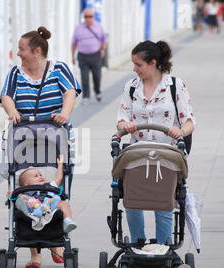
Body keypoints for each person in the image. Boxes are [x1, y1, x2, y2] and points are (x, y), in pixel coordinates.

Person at [0, 26, 81, 268]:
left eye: (22, 50)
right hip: (23, 138)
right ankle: (35, 253)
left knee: (54, 190)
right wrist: (12, 110)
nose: (18, 54)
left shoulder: (58, 69)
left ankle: (55, 241)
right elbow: (6, 96)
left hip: (55, 136)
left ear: (36, 51)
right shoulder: (16, 73)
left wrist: (65, 114)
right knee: (26, 190)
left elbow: (70, 92)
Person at [116, 40, 196, 251]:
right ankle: (138, 243)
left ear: (153, 63)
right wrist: (126, 125)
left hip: (167, 152)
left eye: (138, 64)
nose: (134, 69)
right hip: (137, 152)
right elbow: (121, 119)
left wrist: (180, 131)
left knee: (163, 202)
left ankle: (162, 247)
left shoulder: (174, 86)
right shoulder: (131, 87)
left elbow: (189, 121)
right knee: (132, 199)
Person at [16, 154, 77, 233]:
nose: (40, 176)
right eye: (36, 176)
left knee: (63, 203)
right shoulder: (25, 190)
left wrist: (60, 165)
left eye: (40, 175)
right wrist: (18, 196)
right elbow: (20, 196)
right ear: (26, 184)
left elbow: (59, 178)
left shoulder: (49, 185)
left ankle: (67, 221)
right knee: (22, 198)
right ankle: (27, 211)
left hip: (50, 207)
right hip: (34, 206)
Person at [71, 8, 107, 104]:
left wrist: (103, 49)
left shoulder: (99, 27)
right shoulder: (78, 28)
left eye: (90, 16)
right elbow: (74, 43)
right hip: (83, 56)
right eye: (86, 17)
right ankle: (85, 96)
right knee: (84, 77)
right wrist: (72, 56)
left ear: (93, 17)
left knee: (97, 76)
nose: (88, 18)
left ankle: (97, 91)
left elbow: (104, 40)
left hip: (96, 55)